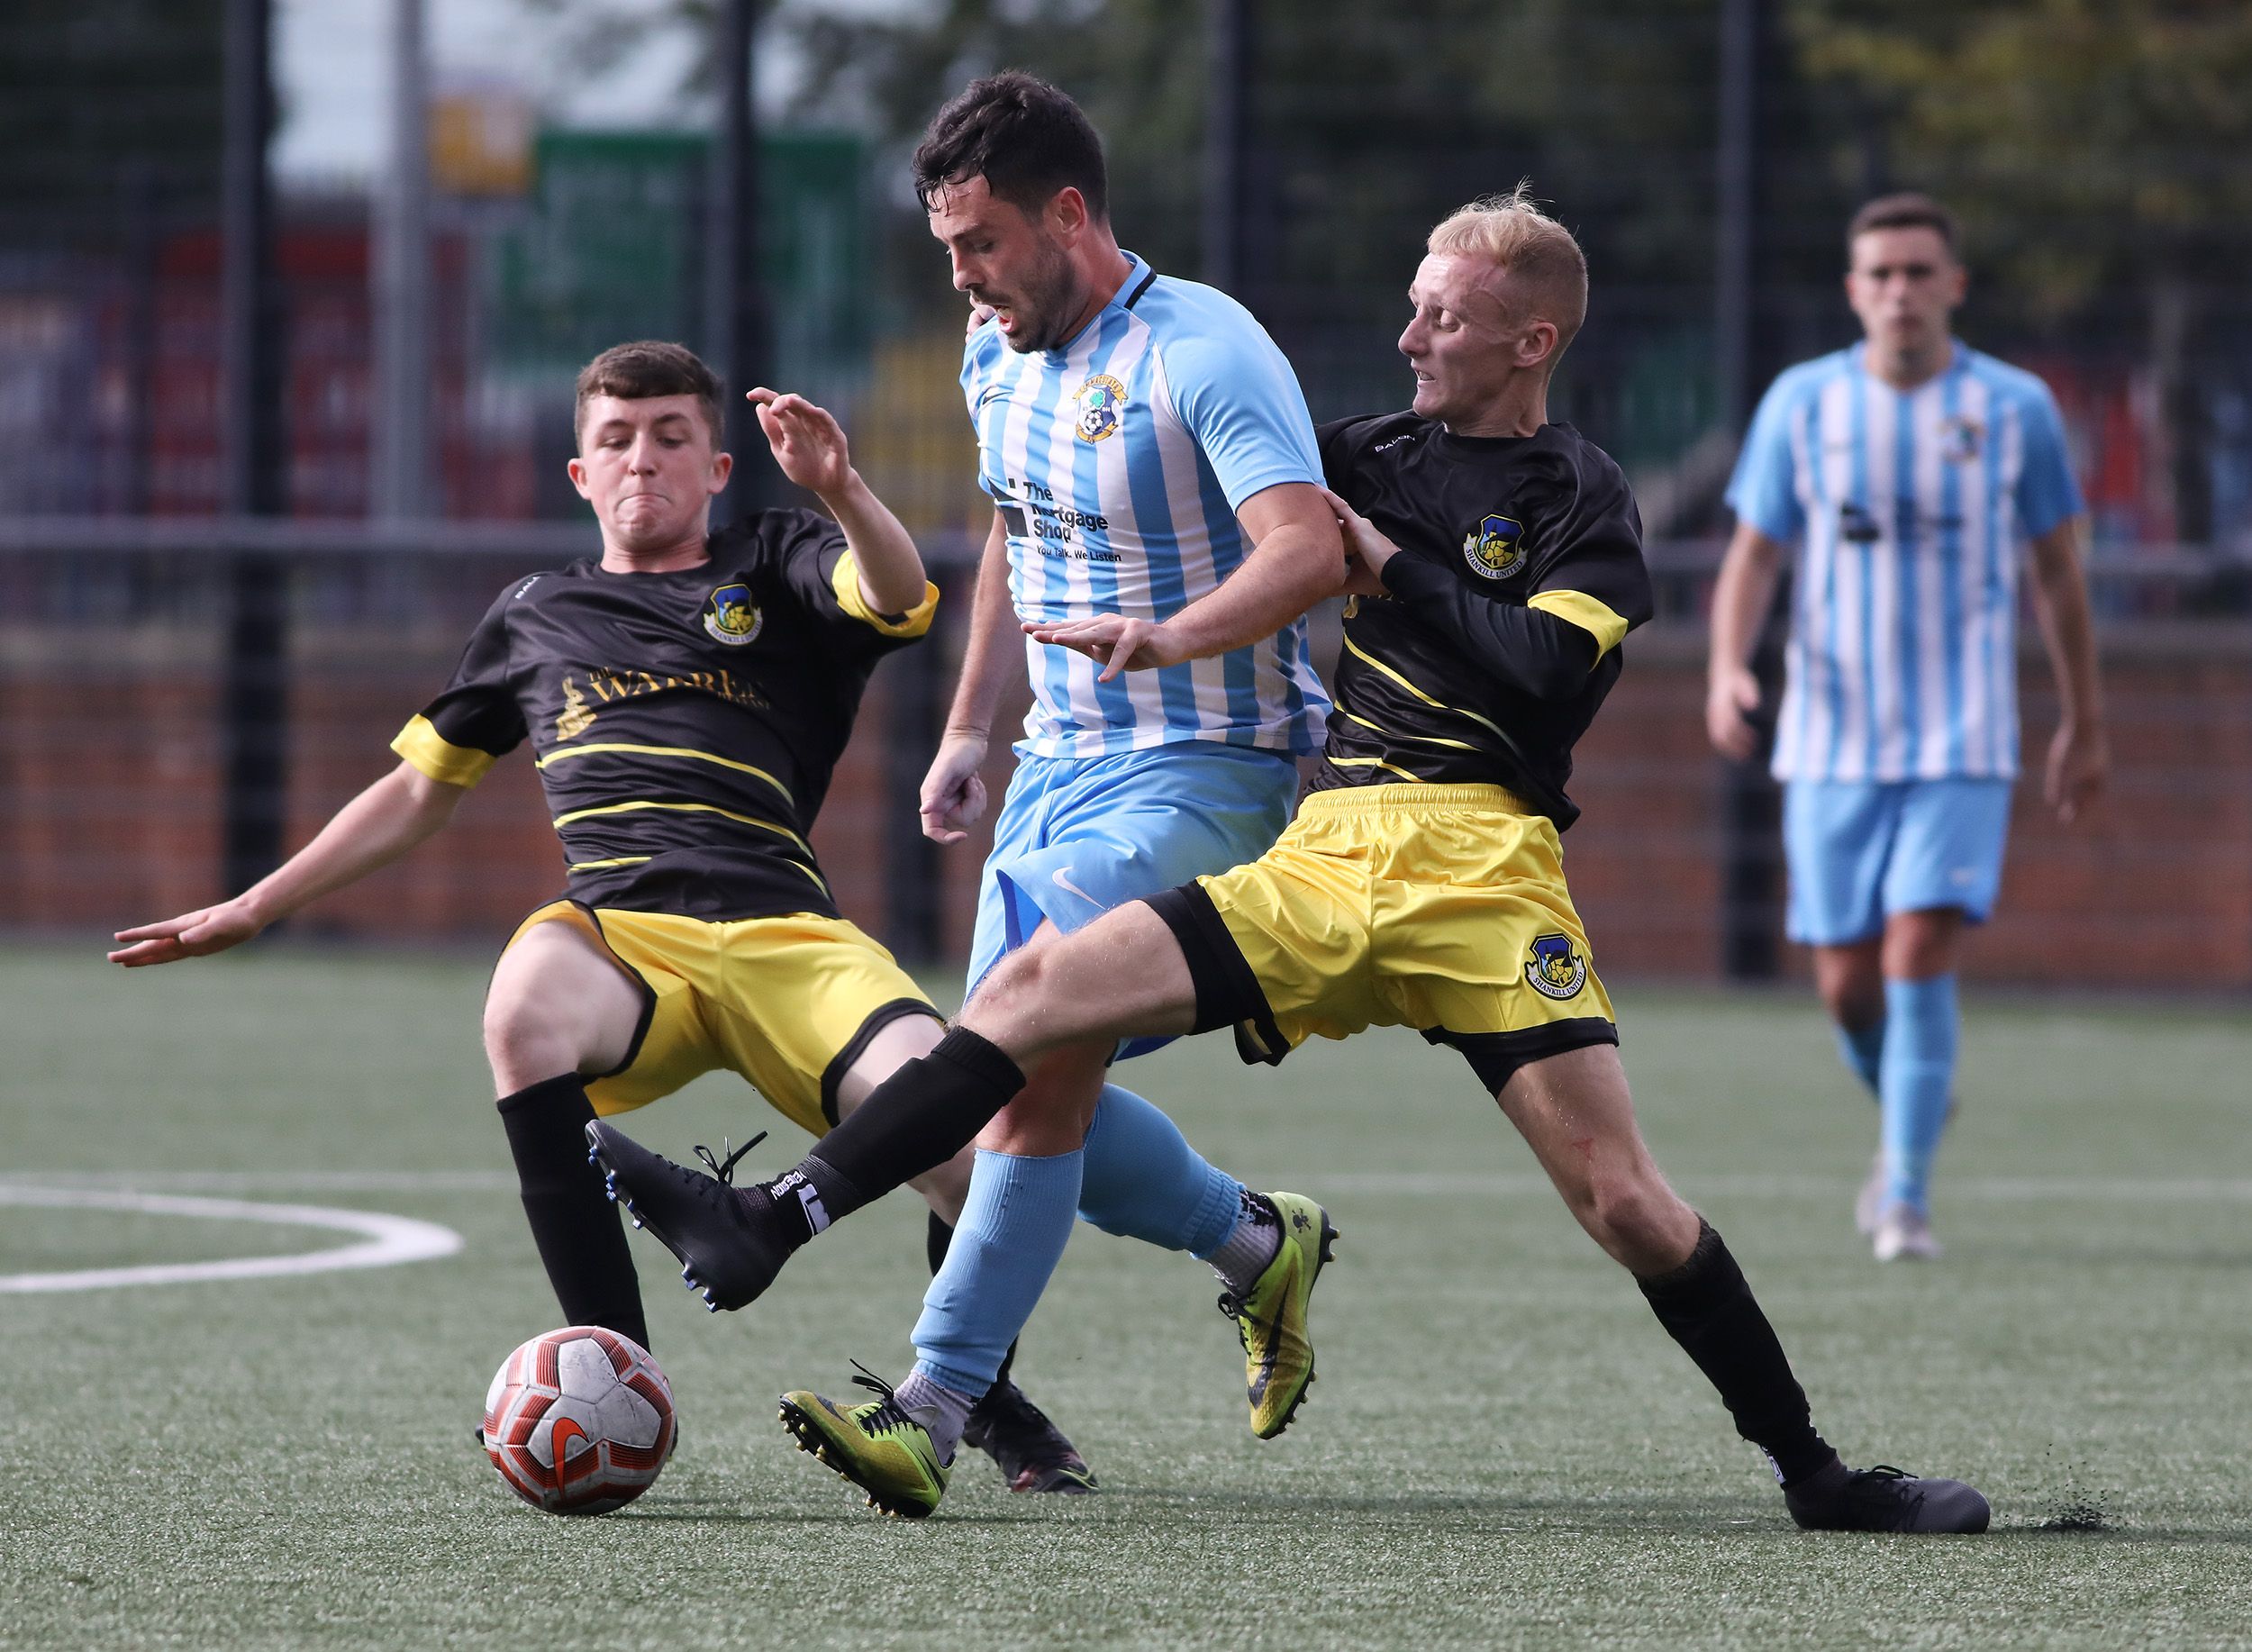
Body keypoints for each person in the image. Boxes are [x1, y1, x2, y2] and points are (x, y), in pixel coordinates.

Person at [591, 191, 1992, 1535]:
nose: (1409, 336)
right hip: (1328, 852)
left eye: (1443, 316)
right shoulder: (1360, 452)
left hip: (1482, 878)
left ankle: (1814, 1470)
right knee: (1028, 1002)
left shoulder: (1584, 499)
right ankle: (796, 1233)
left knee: (1624, 1201)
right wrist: (1037, 627)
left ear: (1532, 339)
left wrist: (1379, 562)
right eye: (1410, 307)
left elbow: (1541, 675)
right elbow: (1153, 510)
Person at [106, 340, 1088, 1485]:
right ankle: (622, 1382)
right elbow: (420, 790)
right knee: (521, 1007)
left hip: (788, 938)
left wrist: (839, 486)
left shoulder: (776, 556)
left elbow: (893, 594)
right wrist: (258, 903)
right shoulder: (533, 612)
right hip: (625, 943)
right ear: (580, 473)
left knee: (971, 1158)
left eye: (671, 438)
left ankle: (981, 1396)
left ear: (718, 467)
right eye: (616, 440)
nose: (643, 461)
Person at [631, 72, 1349, 1502]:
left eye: (980, 244)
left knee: (1010, 1060)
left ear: (1069, 214)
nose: (961, 276)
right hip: (1053, 778)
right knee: (1014, 1087)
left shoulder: (1205, 351)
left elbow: (1309, 546)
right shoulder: (993, 351)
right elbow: (1015, 534)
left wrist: (1173, 633)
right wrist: (972, 726)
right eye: (948, 249)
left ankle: (931, 1406)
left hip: (1206, 771)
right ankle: (1261, 1246)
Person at [1707, 193, 2107, 1263]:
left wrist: (2083, 718)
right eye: (1879, 274)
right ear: (1854, 292)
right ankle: (1908, 1107)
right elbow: (1753, 555)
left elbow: (2058, 573)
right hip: (1831, 735)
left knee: (1919, 942)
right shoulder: (1803, 402)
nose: (1899, 292)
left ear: (1953, 286)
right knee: (1845, 981)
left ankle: (1905, 1198)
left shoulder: (2012, 407)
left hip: (1963, 735)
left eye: (1919, 272)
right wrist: (1726, 669)